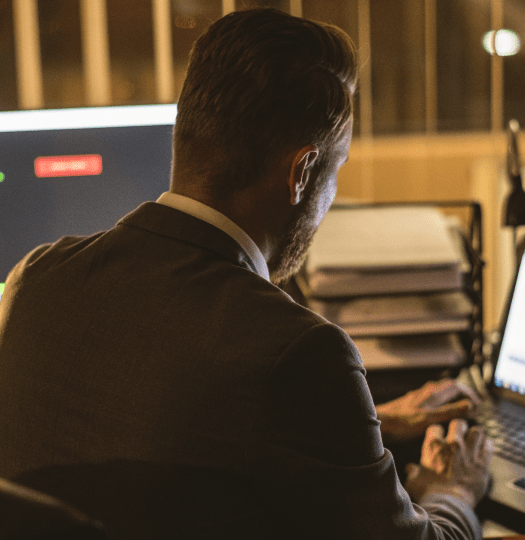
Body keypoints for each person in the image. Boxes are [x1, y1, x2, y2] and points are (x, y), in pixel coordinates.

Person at [0, 7, 492, 539]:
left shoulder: (35, 280)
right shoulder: (300, 353)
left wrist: (365, 427)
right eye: (337, 169)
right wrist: (453, 492)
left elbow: (152, 429)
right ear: (302, 173)